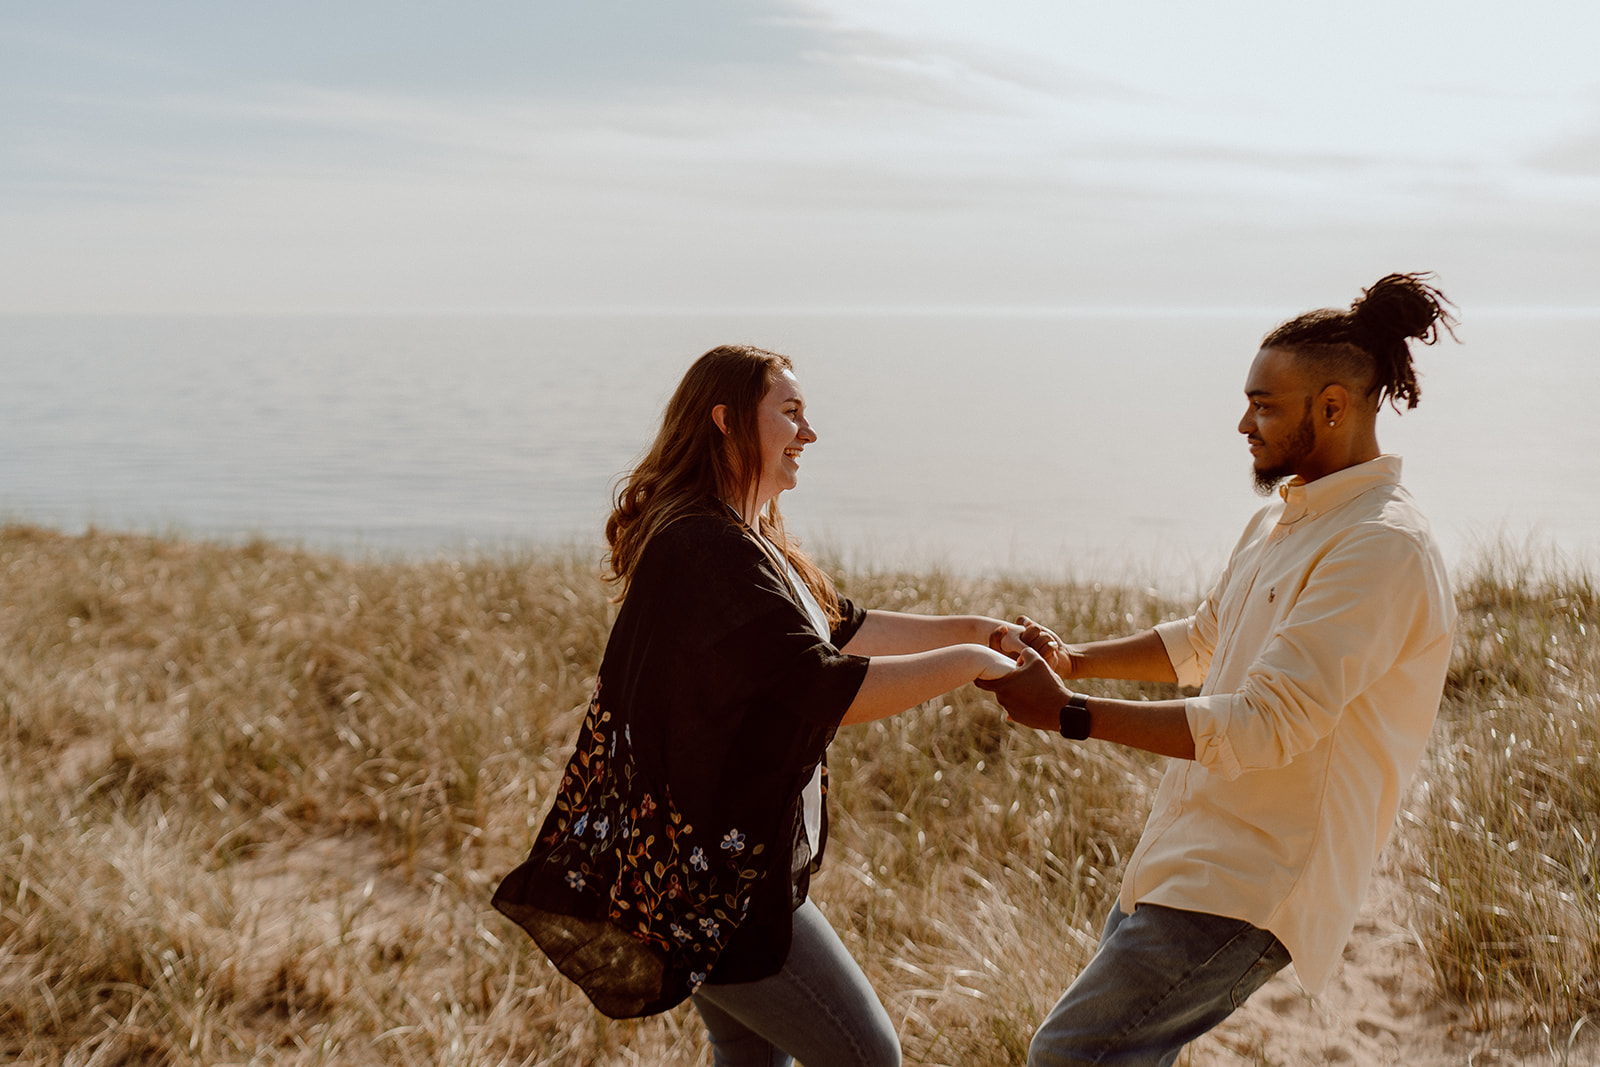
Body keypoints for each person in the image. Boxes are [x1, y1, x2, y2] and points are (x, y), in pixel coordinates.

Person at [493, 344, 1024, 1067]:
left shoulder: (752, 538)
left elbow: (845, 626)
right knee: (868, 1055)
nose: (810, 434)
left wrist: (975, 629)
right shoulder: (705, 545)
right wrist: (971, 664)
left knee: (750, 1056)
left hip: (725, 869)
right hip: (715, 886)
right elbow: (823, 681)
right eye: (793, 413)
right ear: (726, 418)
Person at [980, 273, 1460, 1067]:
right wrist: (1073, 659)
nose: (1242, 423)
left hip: (1255, 880)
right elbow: (1208, 636)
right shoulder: (1282, 515)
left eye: (1265, 405)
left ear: (1335, 407)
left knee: (1067, 1057)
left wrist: (1070, 710)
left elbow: (1268, 724)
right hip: (1185, 854)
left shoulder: (1383, 546)